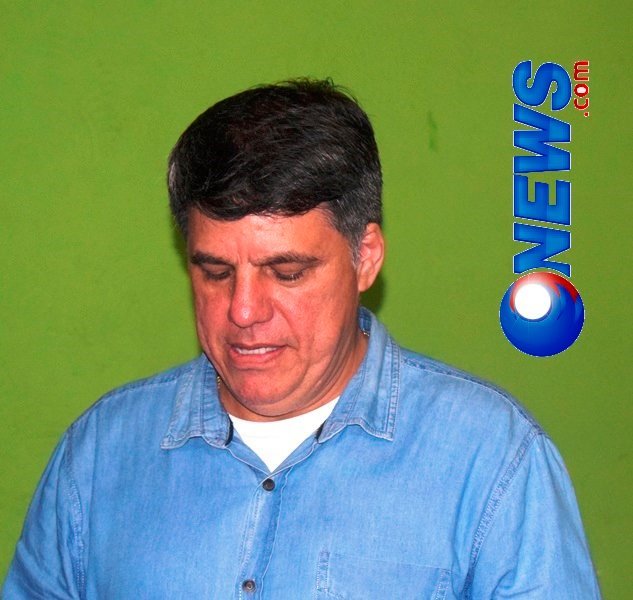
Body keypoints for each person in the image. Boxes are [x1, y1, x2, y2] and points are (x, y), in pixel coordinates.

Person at [3, 79, 600, 599]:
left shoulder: (492, 459)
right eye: (215, 272)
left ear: (366, 257)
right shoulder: (100, 455)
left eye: (286, 273)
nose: (243, 311)